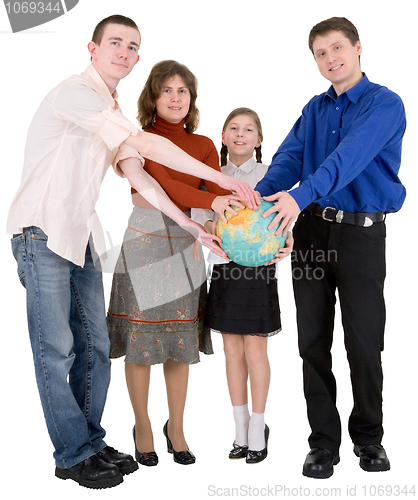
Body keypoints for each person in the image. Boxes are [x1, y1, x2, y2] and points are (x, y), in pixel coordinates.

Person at [6, 15, 257, 490]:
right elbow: (145, 148)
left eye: (132, 46)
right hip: (39, 231)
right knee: (55, 351)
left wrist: (188, 224)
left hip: (77, 236)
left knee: (97, 346)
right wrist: (226, 180)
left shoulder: (110, 106)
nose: (123, 51)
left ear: (137, 58)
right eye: (114, 42)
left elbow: (140, 175)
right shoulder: (75, 94)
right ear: (93, 48)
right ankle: (72, 454)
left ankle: (92, 441)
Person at [255, 17, 406, 478]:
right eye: (320, 53)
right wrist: (259, 204)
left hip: (361, 235)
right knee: (312, 341)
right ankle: (322, 443)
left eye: (337, 48)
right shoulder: (314, 108)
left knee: (363, 343)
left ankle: (369, 440)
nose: (330, 59)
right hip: (313, 234)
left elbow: (350, 157)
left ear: (358, 48)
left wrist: (299, 196)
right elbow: (289, 159)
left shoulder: (385, 104)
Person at [107, 60, 245, 467]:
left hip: (187, 244)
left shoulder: (203, 145)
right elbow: (160, 186)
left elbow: (214, 194)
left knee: (178, 344)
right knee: (140, 343)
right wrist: (210, 200)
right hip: (146, 241)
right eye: (166, 90)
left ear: (192, 99)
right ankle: (143, 426)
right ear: (152, 96)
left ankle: (178, 428)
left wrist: (224, 227)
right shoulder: (137, 139)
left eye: (183, 90)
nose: (175, 97)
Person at [193, 108, 292, 464]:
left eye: (249, 129)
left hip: (259, 270)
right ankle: (240, 428)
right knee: (232, 350)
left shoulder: (270, 175)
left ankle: (258, 427)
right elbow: (199, 215)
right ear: (223, 136)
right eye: (233, 128)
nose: (240, 134)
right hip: (223, 268)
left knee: (255, 351)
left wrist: (288, 238)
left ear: (259, 140)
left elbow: (283, 218)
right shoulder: (213, 176)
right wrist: (211, 224)